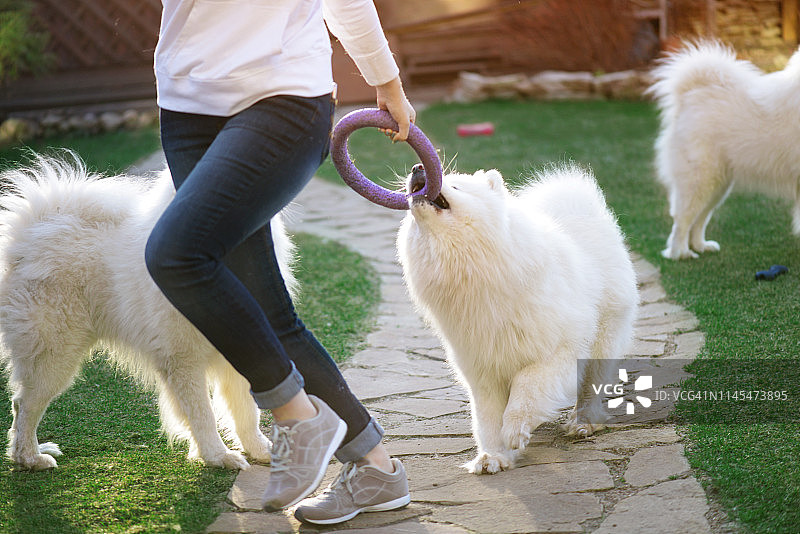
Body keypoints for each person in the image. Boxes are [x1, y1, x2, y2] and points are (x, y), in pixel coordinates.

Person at [145, 0, 415, 525]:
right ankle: (378, 471)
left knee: (176, 255)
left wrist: (387, 82)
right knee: (266, 311)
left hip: (282, 98)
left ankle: (297, 418)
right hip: (185, 110)